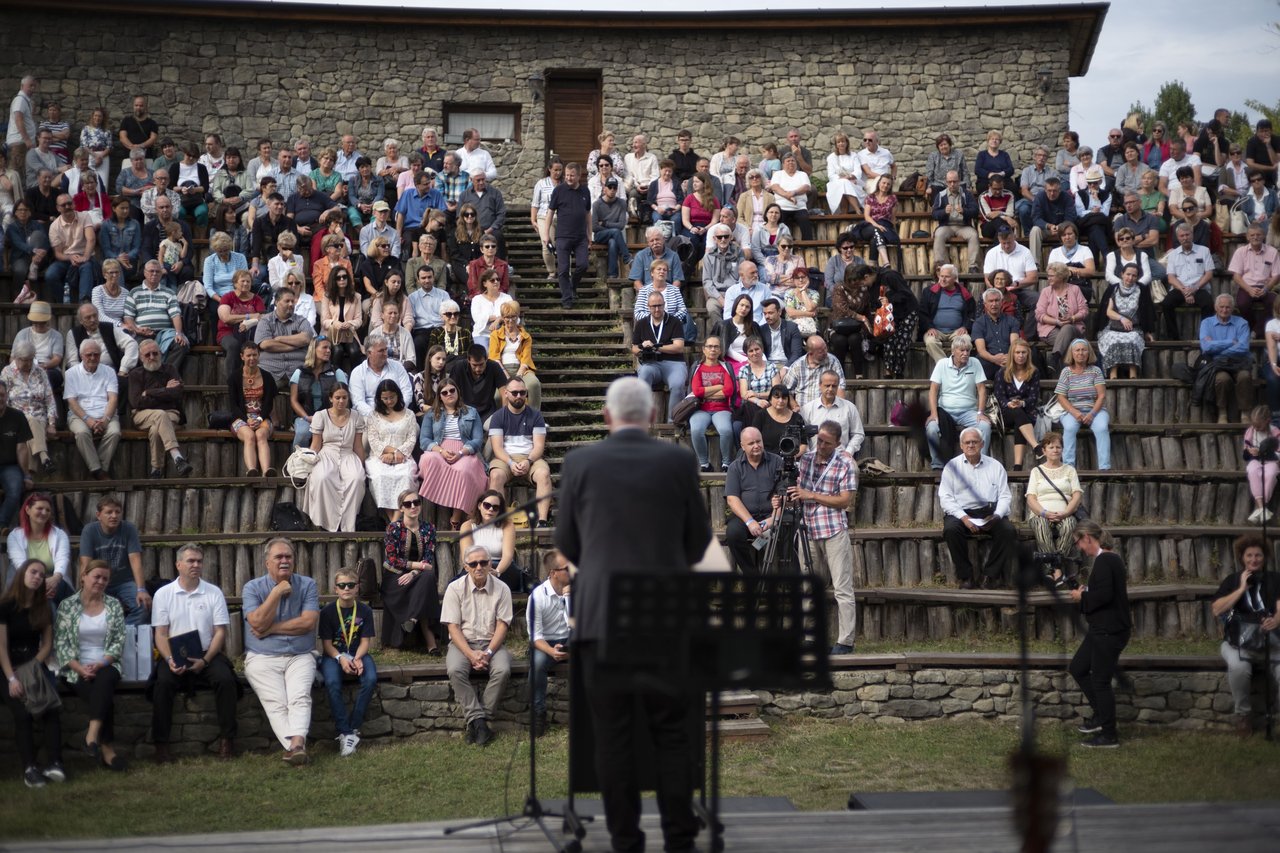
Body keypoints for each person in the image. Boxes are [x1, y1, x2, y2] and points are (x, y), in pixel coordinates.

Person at [554, 375, 709, 853]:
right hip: (665, 620)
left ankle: (626, 839)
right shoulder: (680, 461)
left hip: (602, 620)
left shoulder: (581, 461)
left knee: (613, 737)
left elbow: (567, 543)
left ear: (606, 417)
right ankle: (680, 837)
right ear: (655, 418)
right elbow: (698, 543)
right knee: (672, 733)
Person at [150, 544, 238, 763]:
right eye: (190, 561)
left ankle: (227, 740)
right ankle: (161, 745)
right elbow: (160, 634)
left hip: (207, 653)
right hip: (173, 653)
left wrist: (205, 661)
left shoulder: (213, 592)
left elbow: (220, 632)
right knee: (162, 684)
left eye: (199, 561)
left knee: (226, 680)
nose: (196, 565)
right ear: (178, 564)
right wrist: (170, 659)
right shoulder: (163, 594)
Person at [242, 538, 319, 765]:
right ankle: (296, 746)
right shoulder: (252, 588)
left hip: (300, 655)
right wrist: (276, 593)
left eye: (288, 556)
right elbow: (256, 623)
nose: (284, 560)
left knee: (299, 697)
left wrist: (271, 628)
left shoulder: (307, 585)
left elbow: (308, 623)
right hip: (261, 657)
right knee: (276, 702)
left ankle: (294, 746)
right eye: (279, 557)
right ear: (267, 562)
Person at [789, 420, 858, 653]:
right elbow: (795, 490)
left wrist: (811, 494)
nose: (821, 446)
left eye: (827, 443)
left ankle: (845, 641)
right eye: (819, 440)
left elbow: (845, 500)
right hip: (808, 529)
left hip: (833, 529)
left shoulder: (845, 464)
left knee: (842, 588)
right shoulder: (805, 459)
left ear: (838, 443)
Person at [54, 558, 126, 771]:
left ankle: (92, 735)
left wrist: (101, 663)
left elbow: (118, 642)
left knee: (104, 680)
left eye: (105, 578)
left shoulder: (113, 605)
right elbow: (61, 643)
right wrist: (79, 668)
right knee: (103, 697)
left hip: (107, 664)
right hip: (74, 668)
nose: (101, 581)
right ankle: (107, 749)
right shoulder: (67, 606)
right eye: (97, 576)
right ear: (83, 576)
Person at [1, 557, 64, 788]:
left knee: (50, 710)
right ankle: (30, 768)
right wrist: (11, 678)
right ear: (22, 574)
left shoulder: (43, 607)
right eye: (33, 572)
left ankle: (56, 764)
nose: (38, 577)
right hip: (7, 666)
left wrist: (31, 668)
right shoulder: (6, 605)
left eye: (41, 574)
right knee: (22, 713)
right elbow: (1, 646)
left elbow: (47, 644)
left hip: (32, 665)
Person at [441, 544, 513, 747]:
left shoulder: (502, 588)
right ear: (466, 567)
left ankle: (481, 720)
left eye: (483, 562)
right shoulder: (454, 588)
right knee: (455, 670)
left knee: (503, 669)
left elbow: (502, 626)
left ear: (491, 564)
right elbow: (453, 628)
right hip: (462, 643)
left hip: (493, 643)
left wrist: (488, 653)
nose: (479, 567)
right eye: (473, 563)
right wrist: (471, 655)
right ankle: (479, 722)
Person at [1068, 521, 1131, 748]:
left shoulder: (1105, 560)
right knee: (1078, 667)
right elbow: (1106, 592)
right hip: (1101, 629)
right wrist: (1087, 592)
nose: (1080, 548)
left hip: (1109, 631)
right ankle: (1100, 717)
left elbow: (1105, 597)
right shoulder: (1107, 560)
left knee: (1100, 680)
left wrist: (1081, 597)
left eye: (1078, 543)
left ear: (1087, 537)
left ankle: (1109, 734)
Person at [1212, 533, 1280, 735]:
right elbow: (1217, 609)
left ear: (1264, 557)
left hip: (1272, 641)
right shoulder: (1232, 580)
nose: (1253, 560)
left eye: (1258, 555)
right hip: (1237, 643)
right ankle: (1243, 715)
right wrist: (1241, 589)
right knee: (1238, 667)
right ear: (1242, 557)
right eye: (1249, 555)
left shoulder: (1275, 579)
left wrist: (1276, 620)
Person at [939, 427, 1017, 589]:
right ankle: (966, 576)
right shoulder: (951, 467)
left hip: (990, 511)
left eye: (975, 442)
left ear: (982, 444)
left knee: (1008, 531)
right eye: (967, 442)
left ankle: (989, 575)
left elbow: (1004, 496)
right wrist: (964, 518)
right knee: (951, 530)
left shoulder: (995, 466)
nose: (971, 445)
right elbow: (946, 498)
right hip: (962, 512)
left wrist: (996, 516)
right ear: (961, 445)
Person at [317, 567, 377, 758]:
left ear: (357, 588)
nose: (346, 589)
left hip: (358, 652)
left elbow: (366, 641)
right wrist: (341, 658)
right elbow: (326, 645)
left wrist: (358, 658)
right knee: (333, 683)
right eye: (342, 585)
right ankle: (345, 731)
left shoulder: (365, 610)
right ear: (336, 589)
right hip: (333, 656)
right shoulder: (327, 612)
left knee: (370, 679)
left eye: (351, 585)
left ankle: (353, 728)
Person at [382, 488, 441, 652]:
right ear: (401, 508)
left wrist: (414, 573)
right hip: (395, 577)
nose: (413, 506)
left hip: (418, 576)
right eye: (408, 504)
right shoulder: (393, 528)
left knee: (427, 577)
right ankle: (431, 643)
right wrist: (417, 566)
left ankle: (413, 618)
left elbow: (428, 558)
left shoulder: (429, 528)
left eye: (416, 502)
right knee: (427, 580)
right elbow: (392, 559)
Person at [304, 384, 366, 532]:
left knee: (356, 478)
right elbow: (316, 444)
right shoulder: (321, 415)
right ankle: (326, 522)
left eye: (344, 397)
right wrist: (310, 463)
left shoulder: (356, 416)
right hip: (327, 453)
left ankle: (347, 524)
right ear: (331, 398)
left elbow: (358, 445)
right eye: (337, 397)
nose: (341, 401)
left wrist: (363, 465)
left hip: (348, 454)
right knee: (322, 477)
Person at [128, 339, 193, 479]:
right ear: (141, 357)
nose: (152, 357)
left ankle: (156, 470)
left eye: (155, 353)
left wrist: (149, 392)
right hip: (142, 415)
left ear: (161, 353)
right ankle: (177, 457)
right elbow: (136, 402)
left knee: (156, 429)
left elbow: (177, 392)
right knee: (160, 414)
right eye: (147, 355)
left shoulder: (170, 369)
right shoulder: (135, 374)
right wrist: (165, 391)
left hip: (171, 414)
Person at [925, 335, 991, 470]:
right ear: (953, 351)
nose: (965, 354)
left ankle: (980, 462)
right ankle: (937, 464)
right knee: (931, 428)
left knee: (985, 426)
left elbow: (982, 390)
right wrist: (933, 413)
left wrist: (980, 412)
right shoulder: (942, 364)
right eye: (962, 350)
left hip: (969, 412)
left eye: (968, 350)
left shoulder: (975, 363)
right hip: (945, 411)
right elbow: (933, 391)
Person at [527, 550, 571, 737]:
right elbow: (535, 636)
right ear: (553, 573)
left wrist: (569, 598)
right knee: (536, 665)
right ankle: (538, 713)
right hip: (545, 642)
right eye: (567, 568)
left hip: (571, 638)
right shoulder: (537, 597)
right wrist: (552, 651)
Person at [63, 339, 120, 480]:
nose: (93, 358)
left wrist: (105, 420)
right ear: (81, 355)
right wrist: (88, 420)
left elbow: (113, 399)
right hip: (80, 414)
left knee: (115, 432)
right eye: (89, 355)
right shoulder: (71, 373)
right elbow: (72, 401)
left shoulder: (109, 371)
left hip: (106, 413)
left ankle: (99, 468)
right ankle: (98, 471)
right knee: (82, 432)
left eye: (96, 354)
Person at [0, 343, 57, 477]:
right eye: (23, 360)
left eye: (29, 360)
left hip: (39, 416)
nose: (26, 363)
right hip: (15, 417)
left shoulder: (40, 372)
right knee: (27, 421)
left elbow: (49, 399)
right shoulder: (7, 372)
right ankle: (44, 458)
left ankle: (29, 475)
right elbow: (3, 399)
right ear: (15, 358)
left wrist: (52, 424)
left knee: (32, 420)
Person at [123, 260, 190, 373]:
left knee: (180, 344)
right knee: (136, 347)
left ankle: (166, 374)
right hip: (142, 333)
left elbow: (176, 314)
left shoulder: (169, 292)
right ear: (144, 273)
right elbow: (128, 317)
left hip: (165, 332)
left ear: (161, 274)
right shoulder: (134, 292)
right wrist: (137, 330)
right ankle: (148, 376)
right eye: (151, 271)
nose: (154, 274)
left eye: (157, 272)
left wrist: (178, 333)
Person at [1024, 432, 1082, 563]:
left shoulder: (1070, 470)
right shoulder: (1036, 471)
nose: (1055, 450)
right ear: (1044, 450)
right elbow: (1031, 498)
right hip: (1040, 514)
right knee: (1041, 526)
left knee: (1070, 525)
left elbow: (1077, 495)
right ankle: (1055, 571)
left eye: (1058, 447)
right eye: (1051, 447)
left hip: (1065, 513)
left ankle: (1054, 567)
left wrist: (1066, 513)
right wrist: (1045, 513)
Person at [1198, 294, 1256, 424]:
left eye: (1228, 307)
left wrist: (1217, 347)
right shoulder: (1206, 323)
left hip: (1239, 362)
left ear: (1233, 308)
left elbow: (1243, 348)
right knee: (1221, 379)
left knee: (1245, 377)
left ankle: (1245, 412)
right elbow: (1206, 347)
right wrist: (1231, 342)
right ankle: (1222, 412)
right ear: (1215, 307)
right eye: (1221, 307)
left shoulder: (1242, 323)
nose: (1224, 310)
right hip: (1219, 364)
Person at [365, 380, 419, 518]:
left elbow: (412, 438)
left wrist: (398, 453)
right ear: (379, 398)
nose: (389, 401)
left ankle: (394, 524)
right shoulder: (373, 415)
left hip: (403, 457)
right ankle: (394, 522)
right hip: (380, 457)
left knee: (405, 477)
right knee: (380, 476)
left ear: (398, 395)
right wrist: (390, 453)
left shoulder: (409, 414)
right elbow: (373, 440)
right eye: (385, 398)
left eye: (392, 397)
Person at [633, 290, 688, 423]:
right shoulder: (641, 323)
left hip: (674, 363)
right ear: (648, 307)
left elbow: (679, 346)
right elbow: (634, 348)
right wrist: (642, 348)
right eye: (653, 306)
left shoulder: (674, 321)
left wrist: (656, 347)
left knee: (677, 384)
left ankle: (673, 420)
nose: (657, 309)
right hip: (651, 364)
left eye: (659, 305)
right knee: (644, 375)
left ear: (664, 304)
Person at [1056, 339, 1111, 470]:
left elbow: (1102, 395)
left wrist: (1092, 414)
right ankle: (1068, 467)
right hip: (1072, 410)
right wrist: (1075, 412)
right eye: (1077, 350)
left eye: (1083, 350)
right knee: (1069, 428)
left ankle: (1105, 467)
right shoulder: (1066, 372)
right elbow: (1061, 396)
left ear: (1088, 352)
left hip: (1095, 410)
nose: (1080, 353)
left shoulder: (1095, 370)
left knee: (1102, 428)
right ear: (1072, 353)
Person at [1095, 263, 1155, 380]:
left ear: (1137, 277)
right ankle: (1113, 374)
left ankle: (1133, 374)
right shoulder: (1114, 289)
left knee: (1132, 339)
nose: (1130, 278)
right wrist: (1122, 318)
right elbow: (1108, 311)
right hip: (1114, 327)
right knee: (1113, 339)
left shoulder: (1141, 289)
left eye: (1134, 275)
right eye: (1128, 274)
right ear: (1122, 274)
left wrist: (1148, 331)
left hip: (1134, 328)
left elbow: (1147, 311)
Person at [687, 336, 737, 472]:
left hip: (722, 409)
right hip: (700, 409)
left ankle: (726, 463)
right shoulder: (697, 367)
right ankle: (705, 464)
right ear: (704, 349)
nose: (713, 349)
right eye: (709, 346)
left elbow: (728, 390)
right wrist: (718, 386)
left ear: (720, 350)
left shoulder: (725, 367)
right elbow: (696, 391)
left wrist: (705, 392)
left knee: (726, 430)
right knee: (696, 430)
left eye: (716, 347)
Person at [227, 339, 277, 477]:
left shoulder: (267, 377)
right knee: (249, 436)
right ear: (242, 356)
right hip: (241, 418)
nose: (252, 358)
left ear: (259, 355)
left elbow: (268, 403)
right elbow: (233, 405)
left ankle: (267, 471)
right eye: (248, 355)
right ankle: (252, 470)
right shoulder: (234, 378)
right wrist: (247, 419)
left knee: (261, 435)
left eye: (255, 355)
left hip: (262, 417)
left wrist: (260, 418)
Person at [992, 338, 1043, 469]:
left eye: (1023, 353)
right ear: (1012, 354)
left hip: (1026, 410)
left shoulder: (1034, 372)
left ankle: (1017, 466)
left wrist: (1022, 403)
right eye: (1017, 352)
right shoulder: (1002, 372)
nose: (1020, 356)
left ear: (1028, 354)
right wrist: (1009, 403)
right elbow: (999, 395)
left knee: (1020, 419)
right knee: (1017, 414)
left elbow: (1033, 397)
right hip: (1005, 412)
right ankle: (1036, 446)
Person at [1160, 221, 1215, 339]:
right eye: (1182, 236)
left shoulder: (1204, 251)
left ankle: (1205, 337)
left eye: (1187, 234)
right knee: (1166, 304)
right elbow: (1171, 278)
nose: (1185, 238)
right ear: (1178, 238)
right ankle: (1173, 338)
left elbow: (1209, 274)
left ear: (1192, 234)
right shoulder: (1173, 254)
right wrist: (1184, 290)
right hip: (1180, 288)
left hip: (1199, 287)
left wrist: (1194, 288)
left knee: (1208, 304)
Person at [548, 161, 591, 309]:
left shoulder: (585, 191)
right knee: (563, 269)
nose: (569, 178)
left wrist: (589, 233)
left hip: (580, 237)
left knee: (583, 265)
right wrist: (547, 233)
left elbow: (588, 213)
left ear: (579, 176)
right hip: (562, 236)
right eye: (567, 175)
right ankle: (567, 298)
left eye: (572, 175)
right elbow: (550, 211)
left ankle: (573, 286)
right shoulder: (559, 190)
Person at [459, 489, 522, 590]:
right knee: (455, 586)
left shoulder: (507, 525)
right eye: (487, 505)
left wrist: (497, 572)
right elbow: (466, 556)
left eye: (495, 507)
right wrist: (480, 569)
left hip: (502, 568)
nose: (491, 509)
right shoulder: (467, 526)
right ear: (479, 506)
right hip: (475, 566)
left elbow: (508, 556)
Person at [1035, 262, 1090, 374]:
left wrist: (1072, 319)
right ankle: (1071, 375)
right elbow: (1039, 314)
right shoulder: (1046, 292)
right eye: (1048, 275)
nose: (1048, 278)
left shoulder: (1075, 289)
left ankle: (1054, 359)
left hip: (1074, 328)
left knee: (1068, 328)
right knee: (1069, 344)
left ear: (1061, 276)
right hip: (1050, 329)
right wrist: (1056, 321)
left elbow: (1084, 310)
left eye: (1051, 276)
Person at [920, 264, 976, 364]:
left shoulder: (965, 294)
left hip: (957, 331)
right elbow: (922, 312)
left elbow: (972, 313)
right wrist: (929, 327)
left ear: (955, 278)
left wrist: (965, 327)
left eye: (947, 277)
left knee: (966, 340)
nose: (943, 279)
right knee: (930, 342)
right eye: (941, 276)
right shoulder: (929, 292)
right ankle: (946, 365)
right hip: (935, 331)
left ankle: (956, 364)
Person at [1231, 224, 1280, 338]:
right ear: (1247, 237)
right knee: (1242, 304)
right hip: (1246, 286)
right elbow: (1236, 276)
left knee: (1274, 303)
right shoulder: (1240, 252)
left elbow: (1276, 275)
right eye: (1252, 235)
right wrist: (1249, 289)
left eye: (1258, 234)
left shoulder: (1272, 252)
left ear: (1263, 236)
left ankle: (1256, 331)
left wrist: (1266, 289)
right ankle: (1254, 328)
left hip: (1267, 286)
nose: (1255, 237)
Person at [802, 370, 864, 459]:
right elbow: (803, 436)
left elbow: (858, 434)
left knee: (854, 470)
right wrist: (809, 454)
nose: (830, 389)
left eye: (834, 386)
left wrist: (848, 452)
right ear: (820, 385)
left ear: (838, 386)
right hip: (815, 458)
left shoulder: (849, 407)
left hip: (842, 458)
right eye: (827, 386)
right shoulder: (807, 409)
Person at [0, 381, 36, 530]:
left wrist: (26, 475)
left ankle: (1, 524)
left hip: (10, 465)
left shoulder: (17, 416)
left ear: (7, 396)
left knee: (15, 491)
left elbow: (22, 448)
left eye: (1, 395)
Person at [932, 170, 980, 272]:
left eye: (954, 181)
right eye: (950, 182)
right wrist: (944, 212)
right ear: (946, 182)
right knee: (939, 234)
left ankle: (973, 266)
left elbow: (975, 211)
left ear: (959, 181)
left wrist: (965, 211)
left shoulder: (967, 194)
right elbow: (934, 214)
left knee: (973, 235)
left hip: (963, 226)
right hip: (946, 225)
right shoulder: (941, 195)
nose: (952, 184)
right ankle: (941, 266)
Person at [447, 345, 508, 423]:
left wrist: (504, 416)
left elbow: (505, 393)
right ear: (468, 360)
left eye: (481, 364)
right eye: (474, 365)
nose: (478, 369)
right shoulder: (459, 367)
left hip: (487, 414)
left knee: (496, 428)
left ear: (486, 359)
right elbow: (450, 392)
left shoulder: (494, 366)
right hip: (464, 413)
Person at [1242, 406, 1280, 525]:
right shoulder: (1250, 431)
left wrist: (1263, 453)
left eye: (1259, 426)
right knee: (1252, 470)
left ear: (1267, 421)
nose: (1256, 428)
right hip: (1256, 460)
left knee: (1271, 473)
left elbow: (1278, 454)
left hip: (1272, 461)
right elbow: (1245, 452)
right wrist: (1249, 451)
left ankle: (1261, 508)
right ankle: (1262, 507)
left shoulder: (1275, 433)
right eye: (1254, 425)